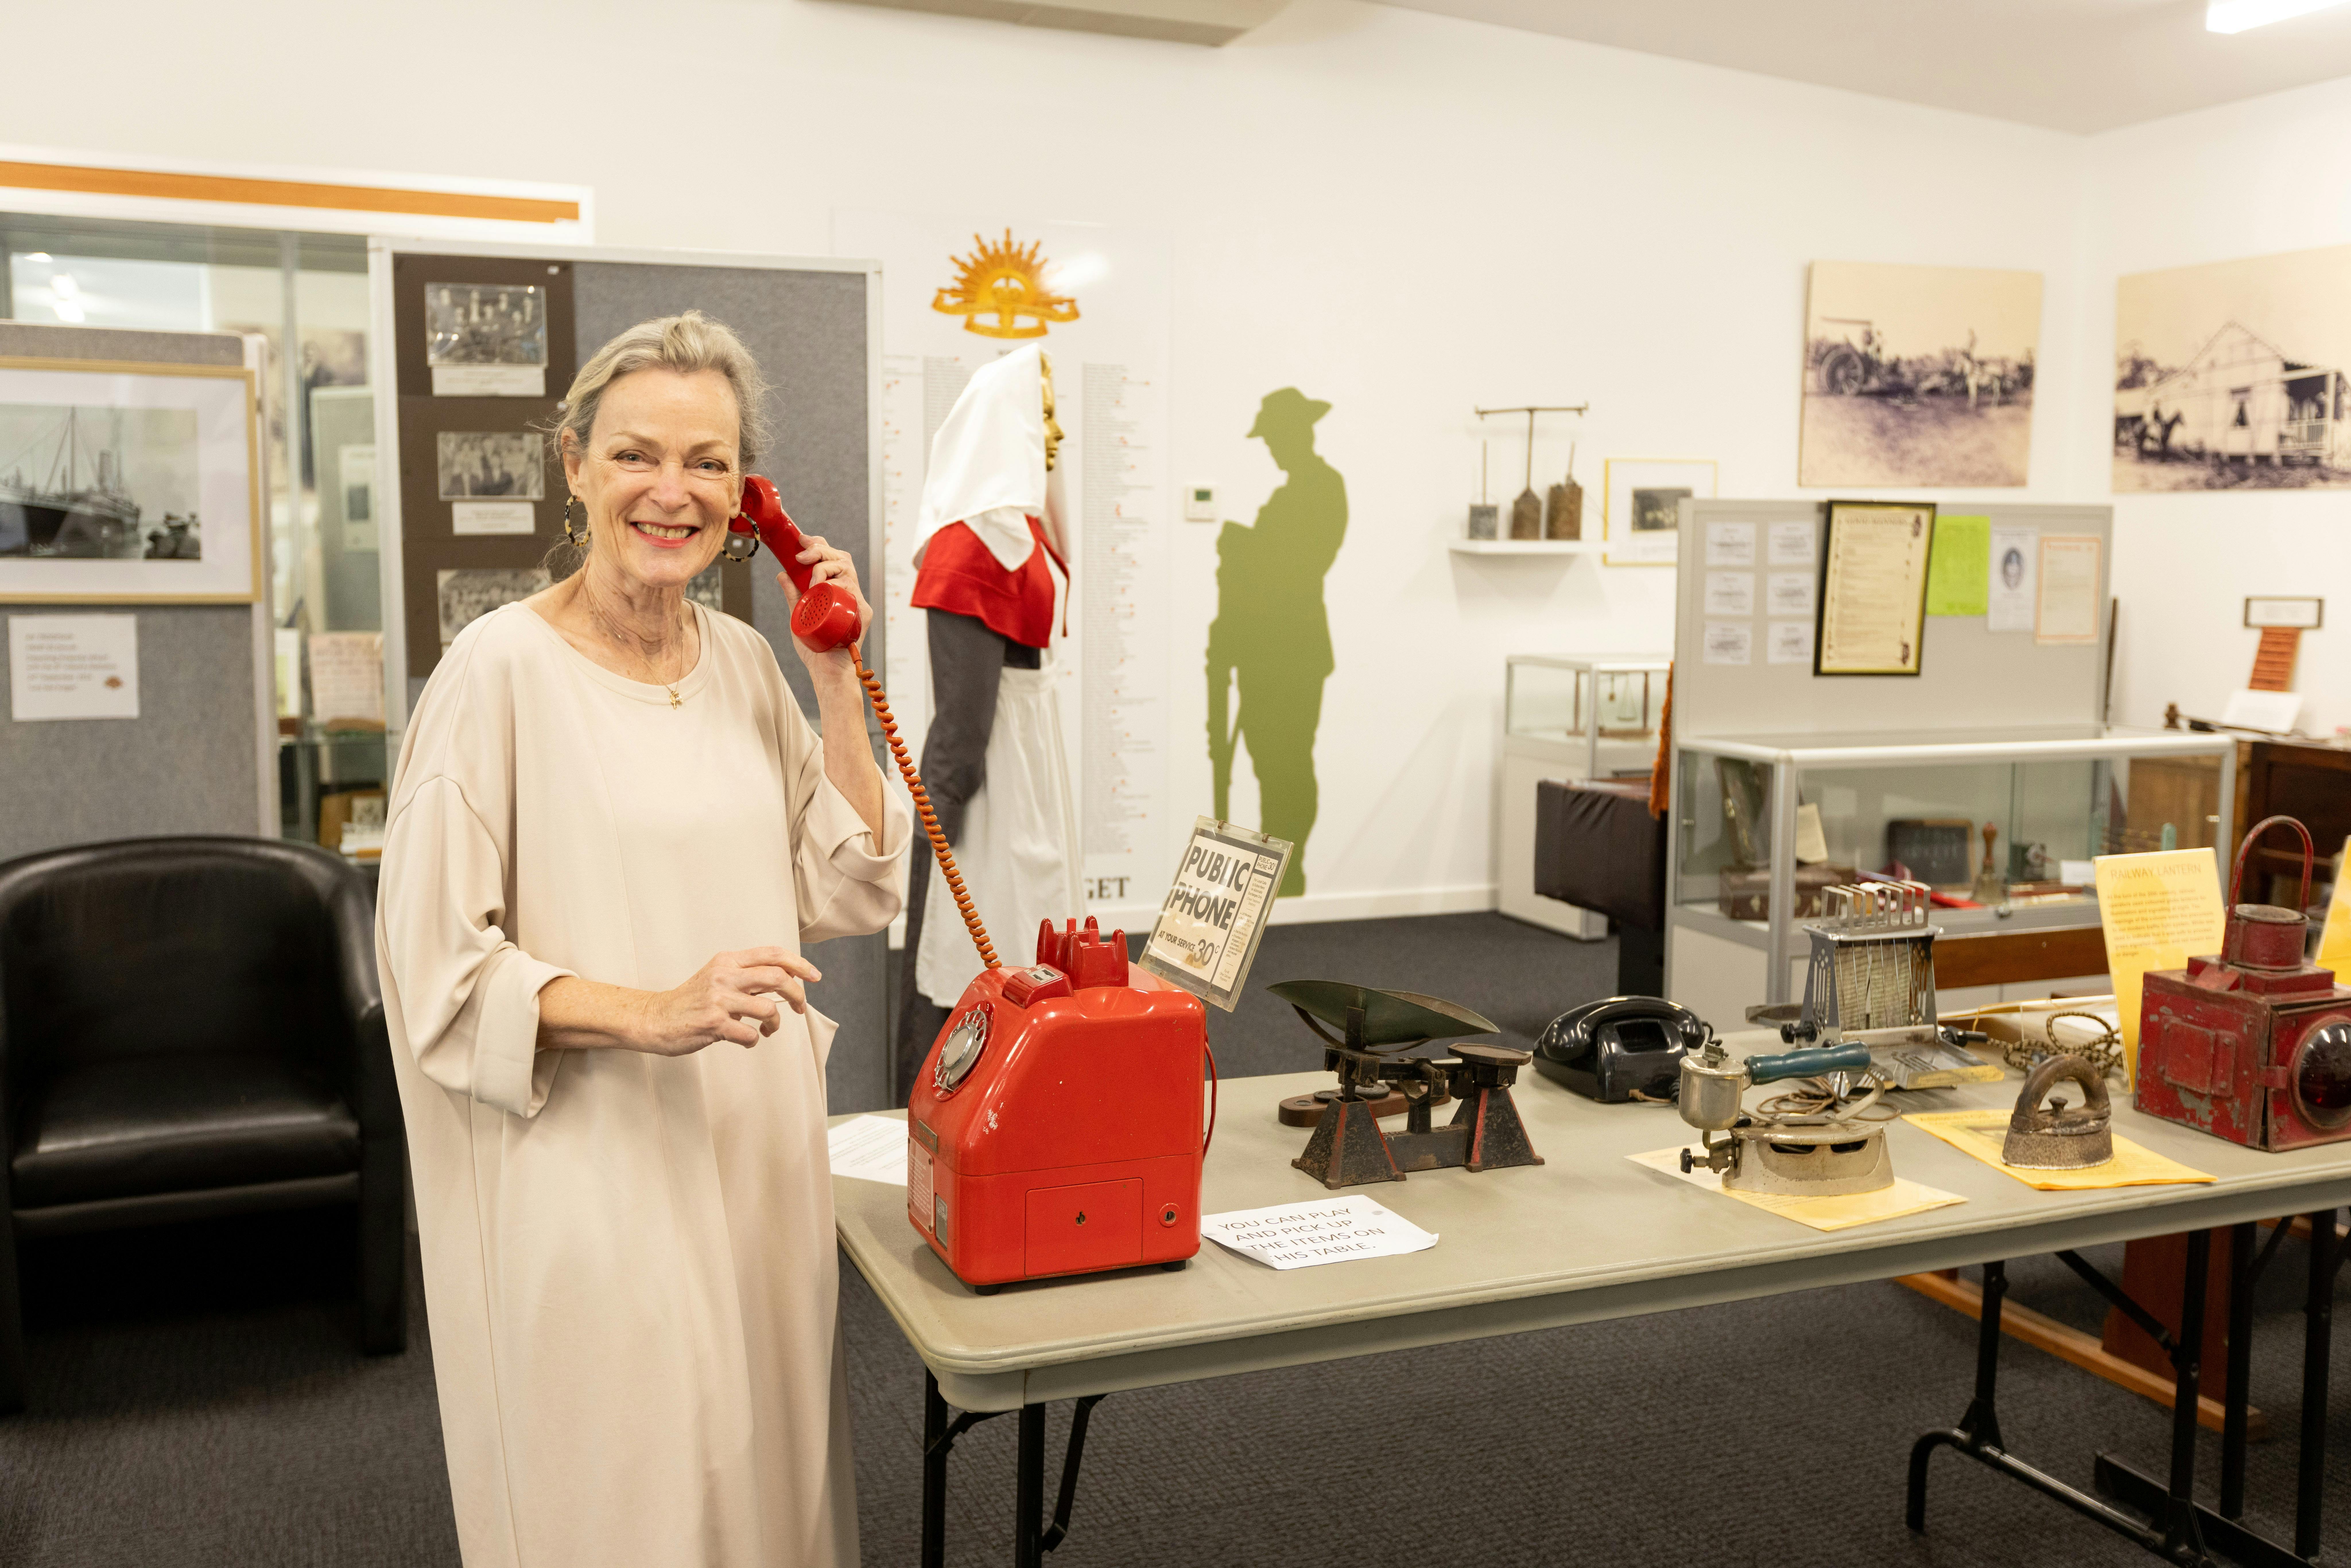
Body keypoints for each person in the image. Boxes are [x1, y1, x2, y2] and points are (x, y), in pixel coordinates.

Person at [377, 310, 908, 1568]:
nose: (673, 492)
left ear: (745, 493)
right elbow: (433, 966)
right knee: (629, 1487)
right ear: (573, 464)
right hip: (592, 1155)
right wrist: (652, 1010)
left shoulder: (744, 662)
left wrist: (835, 674)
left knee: (765, 1466)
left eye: (709, 462)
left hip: (755, 1144)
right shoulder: (496, 673)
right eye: (636, 455)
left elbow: (851, 885)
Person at [892, 344, 1077, 1094]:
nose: (1055, 431)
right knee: (984, 950)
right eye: (1043, 412)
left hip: (1013, 779)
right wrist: (936, 824)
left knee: (990, 954)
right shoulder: (983, 545)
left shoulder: (1004, 537)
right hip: (1002, 786)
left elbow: (967, 722)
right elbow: (965, 724)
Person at [1206, 387, 1346, 899]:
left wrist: (1241, 546)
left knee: (1288, 765)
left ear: (1298, 433)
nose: (1271, 449)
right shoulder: (1293, 494)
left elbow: (1295, 567)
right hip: (1263, 650)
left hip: (1295, 651)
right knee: (1269, 762)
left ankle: (1289, 869)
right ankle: (1277, 866)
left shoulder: (1321, 488)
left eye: (1275, 438)